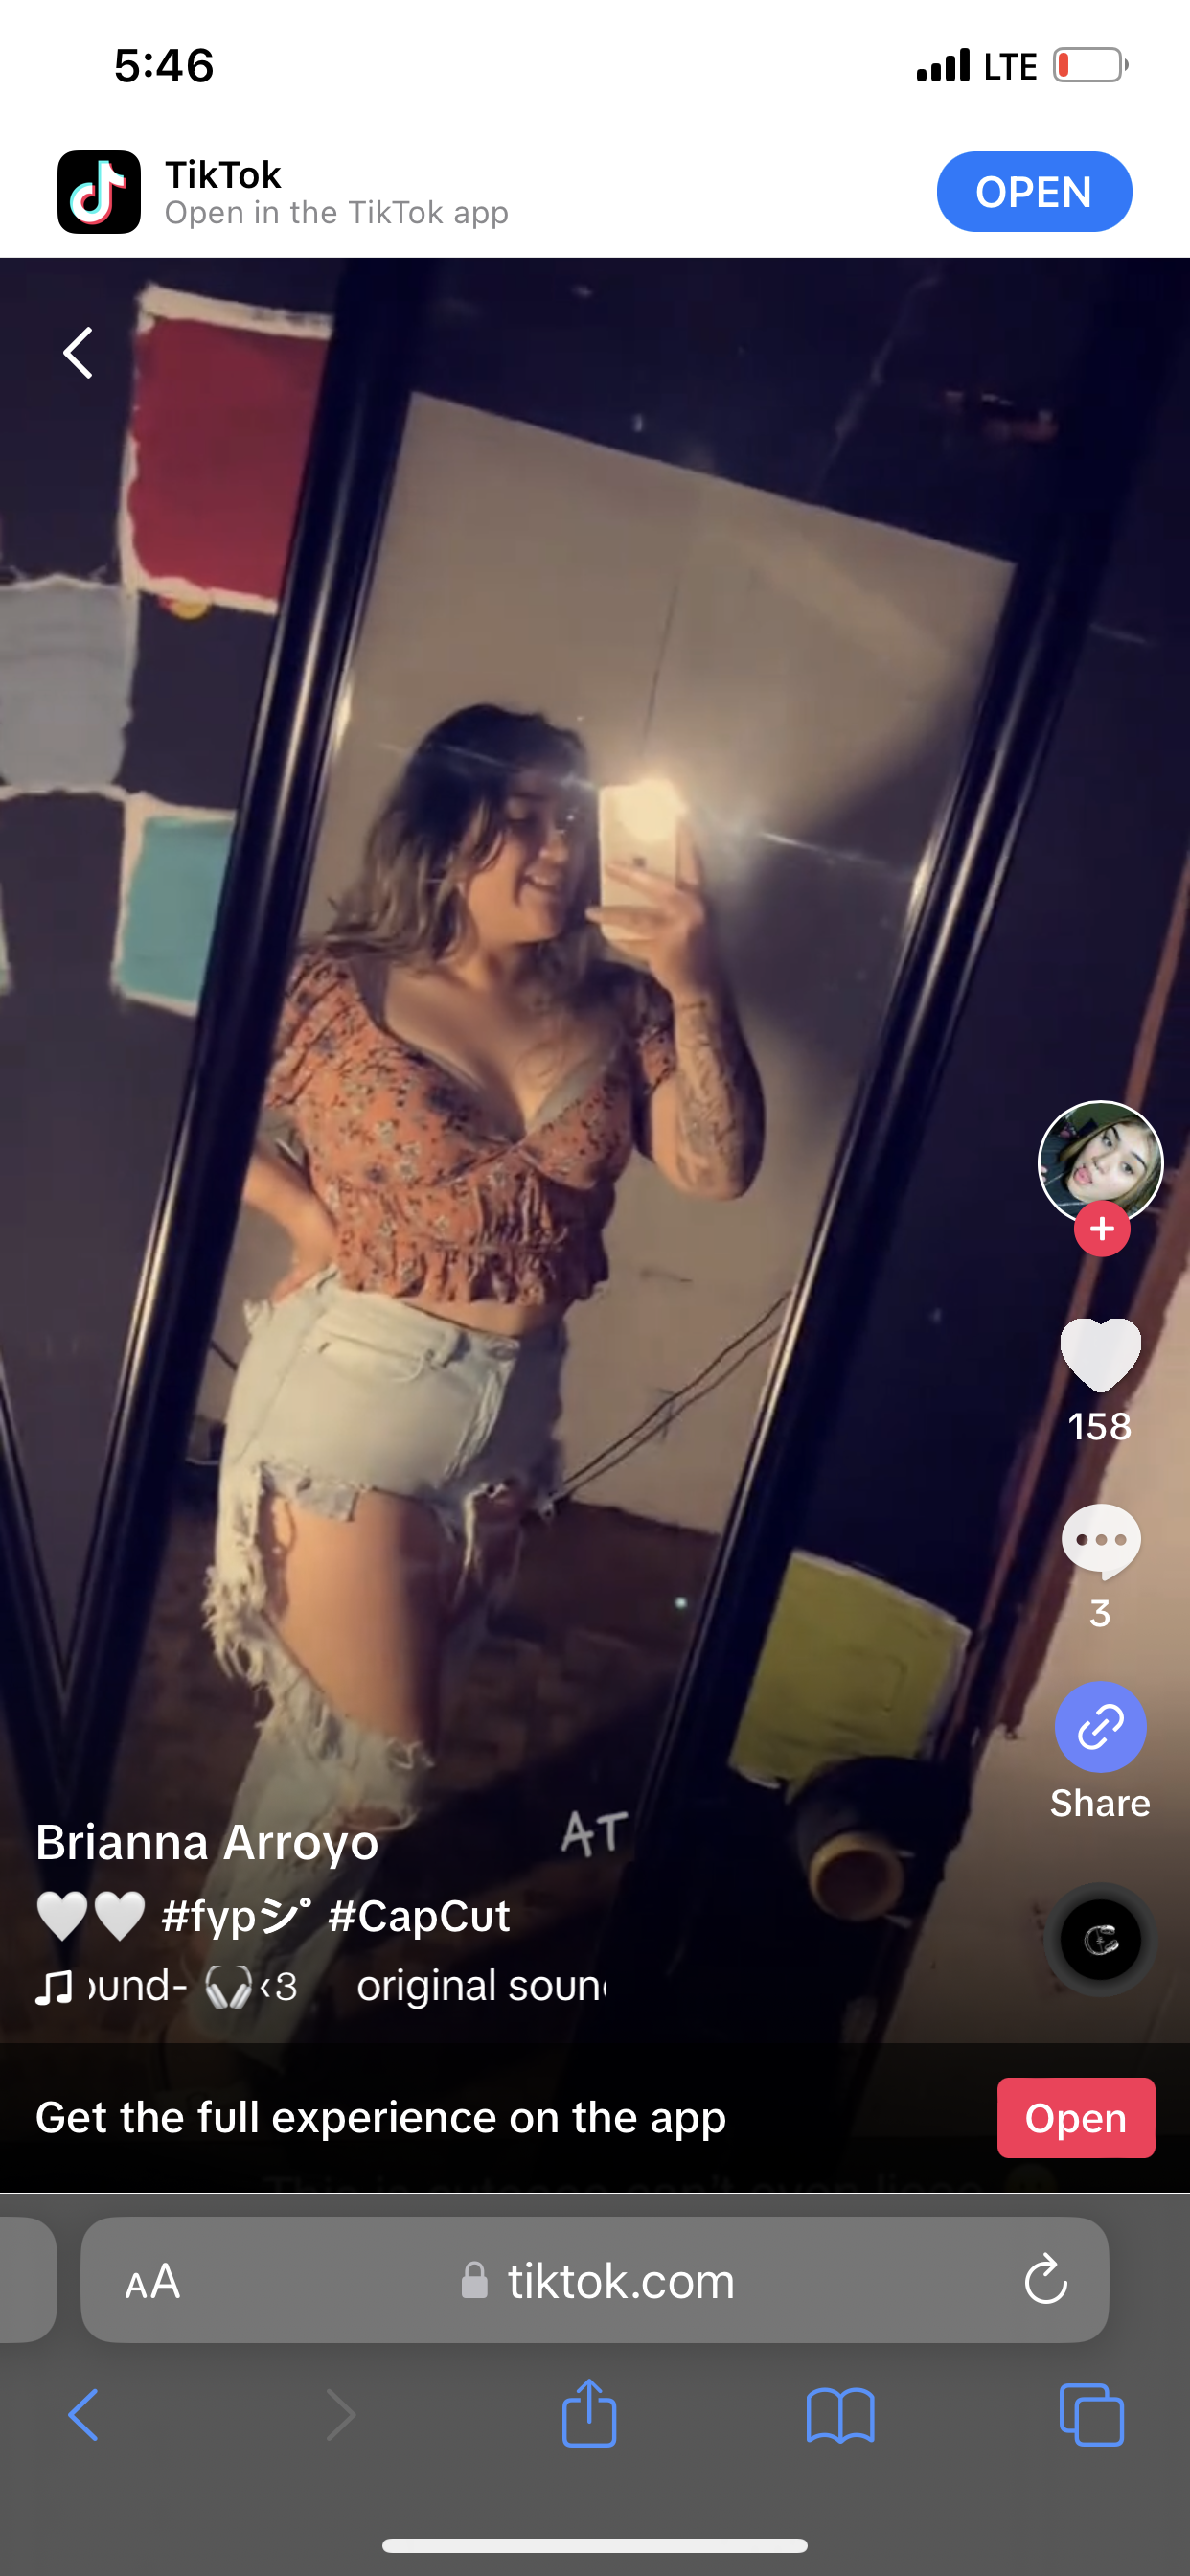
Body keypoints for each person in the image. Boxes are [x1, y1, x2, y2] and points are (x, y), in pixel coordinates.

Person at [174, 702, 765, 2048]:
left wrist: (694, 977)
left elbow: (719, 1166)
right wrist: (306, 1216)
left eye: (576, 820)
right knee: (381, 1760)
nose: (559, 848)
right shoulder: (337, 989)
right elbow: (173, 1093)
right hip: (356, 1394)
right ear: (446, 831)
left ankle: (240, 1999)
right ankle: (218, 2035)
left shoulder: (619, 1005)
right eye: (525, 818)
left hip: (508, 1419)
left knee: (326, 1745)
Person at [1039, 1102, 1162, 1218]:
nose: (1100, 1162)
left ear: (1139, 1189)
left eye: (1127, 1168)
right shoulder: (1048, 1147)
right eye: (1108, 1142)